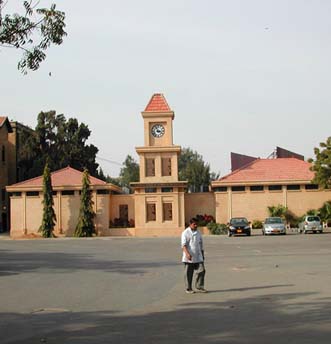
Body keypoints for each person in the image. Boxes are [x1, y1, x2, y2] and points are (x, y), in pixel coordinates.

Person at [181, 218, 207, 294]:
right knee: (189, 273)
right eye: (194, 224)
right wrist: (187, 254)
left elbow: (201, 244)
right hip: (189, 256)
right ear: (190, 224)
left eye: (196, 224)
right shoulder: (185, 233)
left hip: (198, 256)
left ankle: (199, 286)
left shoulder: (198, 232)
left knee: (202, 270)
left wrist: (202, 254)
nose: (196, 226)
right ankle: (188, 288)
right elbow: (183, 245)